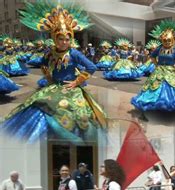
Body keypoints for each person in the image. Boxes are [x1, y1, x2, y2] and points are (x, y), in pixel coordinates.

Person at [2, 2, 105, 143]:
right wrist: (49, 79)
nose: (64, 42)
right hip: (53, 87)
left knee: (81, 117)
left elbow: (91, 67)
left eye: (67, 39)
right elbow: (43, 65)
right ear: (54, 38)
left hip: (71, 90)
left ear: (71, 39)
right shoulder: (49, 52)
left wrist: (77, 81)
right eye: (60, 39)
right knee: (37, 108)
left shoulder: (74, 53)